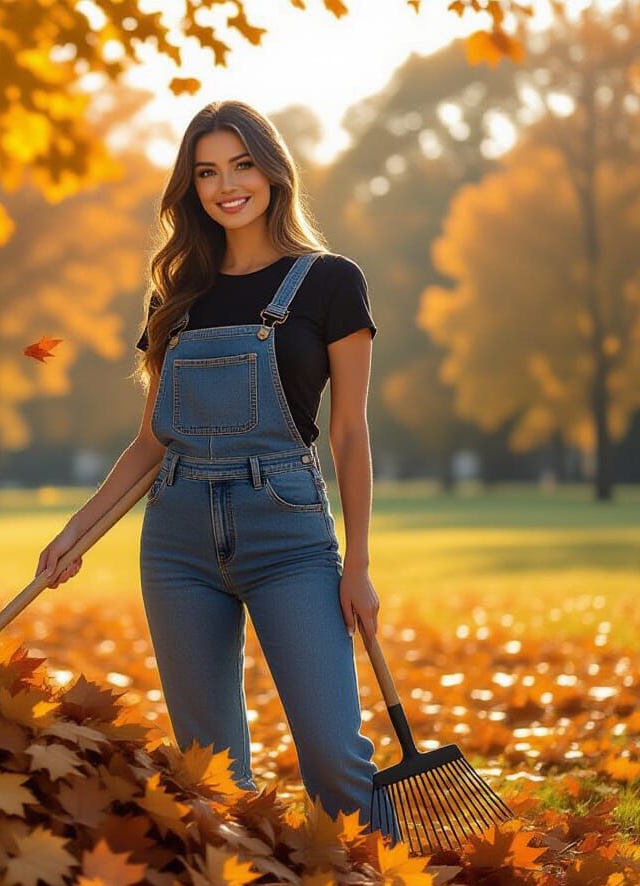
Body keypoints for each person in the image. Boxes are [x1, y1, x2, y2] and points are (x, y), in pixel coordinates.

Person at [35, 99, 399, 841]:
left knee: (334, 760)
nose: (225, 185)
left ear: (272, 172)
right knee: (213, 775)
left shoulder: (329, 282)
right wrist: (77, 532)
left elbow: (351, 434)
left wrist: (357, 561)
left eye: (240, 165)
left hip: (288, 537)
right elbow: (153, 441)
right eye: (206, 171)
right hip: (178, 544)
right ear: (190, 186)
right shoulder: (177, 297)